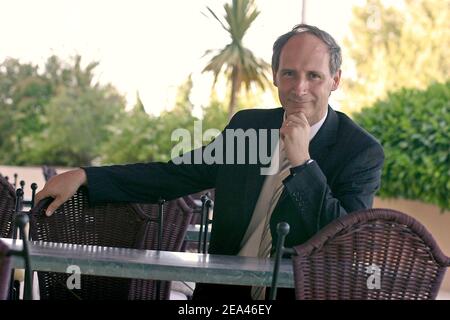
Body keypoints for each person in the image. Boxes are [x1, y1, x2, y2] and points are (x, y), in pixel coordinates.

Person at [35, 24, 384, 300]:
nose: (299, 87)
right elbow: (174, 175)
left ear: (335, 81)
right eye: (289, 73)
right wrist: (86, 176)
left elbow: (348, 238)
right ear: (275, 76)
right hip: (221, 297)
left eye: (314, 76)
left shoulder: (359, 152)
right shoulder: (249, 126)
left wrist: (303, 164)